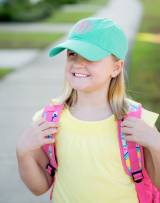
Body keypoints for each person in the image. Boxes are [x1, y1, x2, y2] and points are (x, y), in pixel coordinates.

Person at [16, 17, 160, 203]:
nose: (77, 63)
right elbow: (39, 188)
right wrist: (23, 152)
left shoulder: (138, 122)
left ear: (116, 68)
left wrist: (156, 144)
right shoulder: (48, 120)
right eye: (72, 54)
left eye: (90, 57)